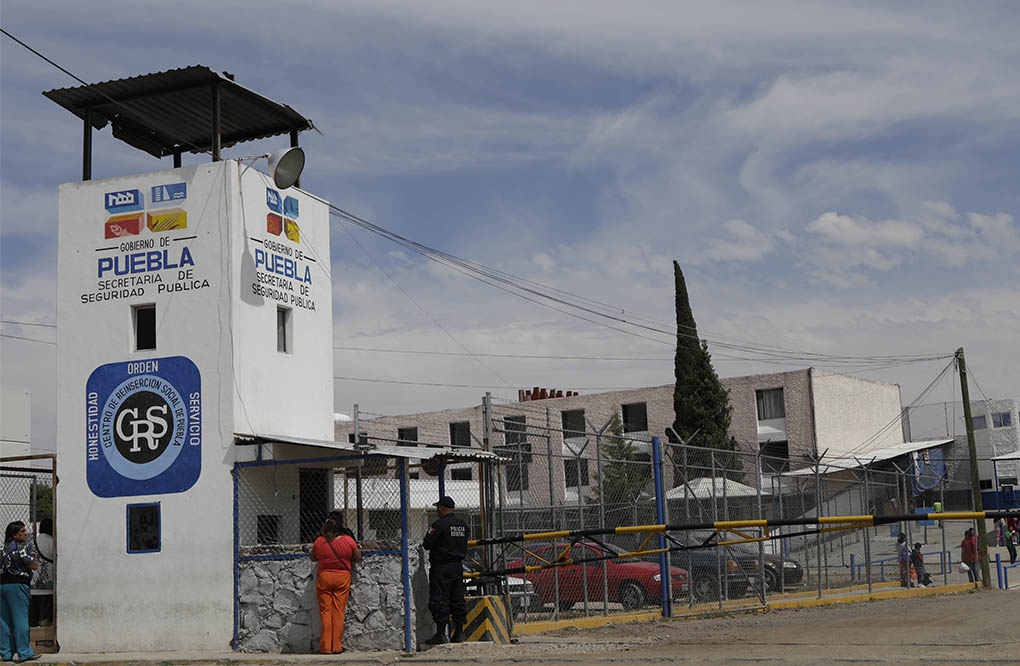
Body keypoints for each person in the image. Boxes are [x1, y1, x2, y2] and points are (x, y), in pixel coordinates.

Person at [310, 518, 361, 654]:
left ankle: (326, 647)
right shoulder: (348, 540)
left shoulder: (319, 542)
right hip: (342, 577)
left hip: (324, 577)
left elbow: (313, 558)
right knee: (338, 612)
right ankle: (337, 647)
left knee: (325, 612)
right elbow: (357, 557)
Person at [422, 496, 469, 645]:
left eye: (438, 508)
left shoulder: (439, 525)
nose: (437, 511)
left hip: (441, 567)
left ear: (442, 508)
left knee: (440, 598)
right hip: (457, 566)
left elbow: (427, 544)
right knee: (457, 598)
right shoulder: (463, 525)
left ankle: (441, 634)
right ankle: (459, 633)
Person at [0, 522, 39, 663]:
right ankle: (24, 652)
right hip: (18, 585)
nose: (25, 533)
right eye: (22, 531)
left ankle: (5, 653)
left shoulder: (1, 548)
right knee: (20, 618)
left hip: (2, 585)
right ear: (14, 535)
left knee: (4, 621)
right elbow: (33, 565)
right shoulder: (22, 548)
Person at [29, 519, 53, 627]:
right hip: (48, 587)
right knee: (45, 616)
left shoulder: (31, 542)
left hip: (33, 586)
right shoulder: (52, 542)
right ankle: (44, 638)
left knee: (33, 616)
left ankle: (33, 638)